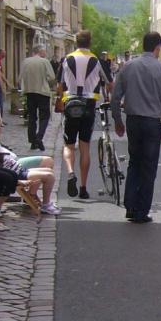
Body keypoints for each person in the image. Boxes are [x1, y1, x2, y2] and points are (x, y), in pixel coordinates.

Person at [111, 32, 161, 223]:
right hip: (153, 122)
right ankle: (141, 210)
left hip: (133, 121)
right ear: (158, 47)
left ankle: (130, 206)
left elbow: (115, 97)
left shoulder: (128, 66)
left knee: (134, 162)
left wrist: (117, 120)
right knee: (149, 167)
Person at [56, 30, 112, 200]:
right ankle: (83, 187)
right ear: (90, 42)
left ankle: (70, 172)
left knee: (69, 145)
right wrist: (109, 97)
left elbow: (59, 85)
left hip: (71, 103)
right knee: (85, 146)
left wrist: (60, 99)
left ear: (76, 42)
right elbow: (109, 83)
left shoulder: (67, 59)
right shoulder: (96, 60)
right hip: (88, 105)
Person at [0, 128, 62, 215]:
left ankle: (37, 197)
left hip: (19, 168)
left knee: (49, 170)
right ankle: (46, 205)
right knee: (49, 176)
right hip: (17, 173)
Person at [20, 45, 57, 151]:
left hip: (30, 92)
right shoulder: (45, 61)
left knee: (32, 117)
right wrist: (49, 83)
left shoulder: (26, 61)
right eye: (44, 51)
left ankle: (33, 141)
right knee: (44, 116)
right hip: (42, 92)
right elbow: (52, 77)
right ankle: (39, 137)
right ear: (40, 51)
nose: (45, 53)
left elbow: (21, 77)